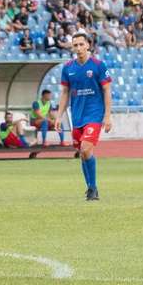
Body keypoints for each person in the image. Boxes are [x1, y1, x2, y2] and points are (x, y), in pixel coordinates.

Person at [54, 33, 113, 201]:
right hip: (77, 116)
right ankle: (90, 188)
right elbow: (65, 92)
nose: (78, 48)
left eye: (81, 44)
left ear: (88, 45)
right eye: (75, 45)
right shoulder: (68, 68)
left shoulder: (98, 66)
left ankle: (93, 188)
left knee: (86, 148)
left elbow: (107, 90)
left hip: (94, 114)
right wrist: (59, 116)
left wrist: (107, 116)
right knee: (83, 153)